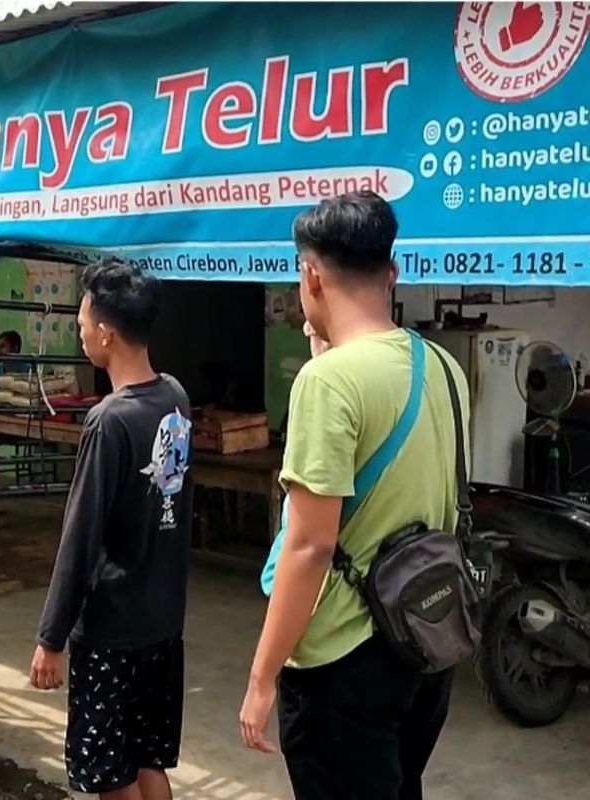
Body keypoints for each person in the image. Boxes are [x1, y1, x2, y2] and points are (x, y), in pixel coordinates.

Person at [239, 192, 470, 800]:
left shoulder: (327, 381)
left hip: (343, 658)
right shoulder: (446, 367)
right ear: (390, 273)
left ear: (310, 274)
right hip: (424, 636)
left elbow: (310, 546)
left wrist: (263, 676)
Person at [30, 258, 193, 800]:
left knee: (110, 773)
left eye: (82, 322)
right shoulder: (175, 397)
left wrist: (51, 636)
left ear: (107, 330)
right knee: (149, 761)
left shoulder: (109, 420)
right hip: (164, 624)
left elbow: (81, 535)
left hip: (113, 631)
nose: (79, 332)